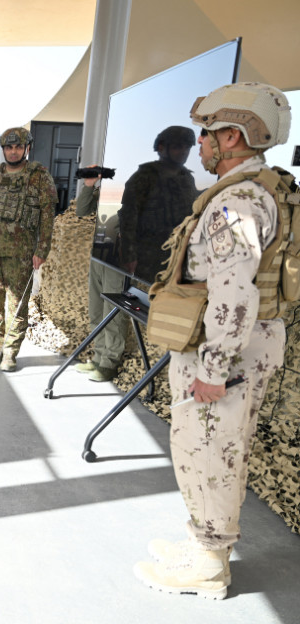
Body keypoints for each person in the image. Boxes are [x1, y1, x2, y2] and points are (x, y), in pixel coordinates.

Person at [134, 82, 292, 600]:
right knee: (214, 448)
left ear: (232, 136)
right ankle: (203, 542)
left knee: (209, 451)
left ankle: (208, 563)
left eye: (206, 134)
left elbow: (234, 290)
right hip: (239, 345)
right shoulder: (258, 191)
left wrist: (214, 368)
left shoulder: (235, 203)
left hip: (226, 352)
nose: (199, 143)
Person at [0, 127, 56, 371]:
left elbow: (47, 217)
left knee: (17, 306)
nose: (14, 151)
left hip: (22, 255)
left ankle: (10, 353)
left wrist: (42, 250)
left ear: (27, 148)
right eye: (9, 147)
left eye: (18, 147)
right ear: (4, 149)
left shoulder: (39, 177)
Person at [117, 125, 198, 283]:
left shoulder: (187, 178)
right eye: (177, 147)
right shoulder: (144, 176)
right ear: (161, 148)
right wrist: (129, 255)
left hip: (180, 252)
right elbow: (128, 217)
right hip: (149, 253)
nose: (183, 152)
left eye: (187, 147)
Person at [74, 171, 128, 382]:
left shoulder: (136, 189)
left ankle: (109, 363)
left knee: (112, 312)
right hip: (99, 254)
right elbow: (82, 210)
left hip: (118, 258)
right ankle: (98, 357)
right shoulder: (107, 190)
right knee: (96, 310)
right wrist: (89, 185)